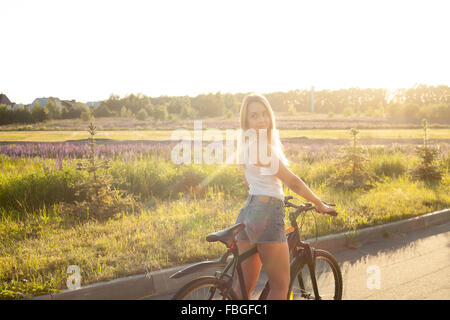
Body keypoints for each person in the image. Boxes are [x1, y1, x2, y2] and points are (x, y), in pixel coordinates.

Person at [233, 93, 337, 300]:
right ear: (246, 120)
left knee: (243, 288)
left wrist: (275, 193)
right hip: (267, 213)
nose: (261, 119)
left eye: (264, 114)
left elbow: (253, 181)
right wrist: (320, 204)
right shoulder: (263, 148)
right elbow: (293, 182)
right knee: (280, 288)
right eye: (254, 116)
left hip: (247, 213)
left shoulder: (246, 146)